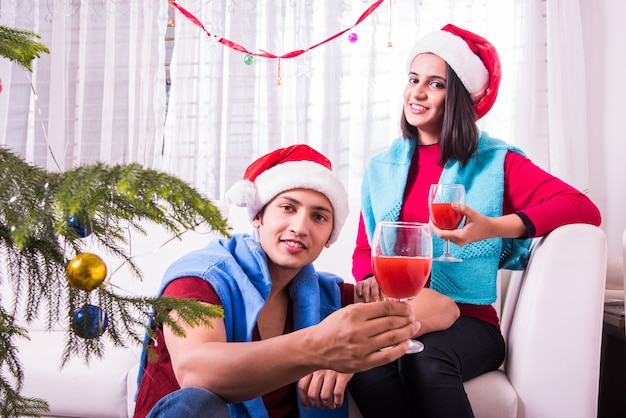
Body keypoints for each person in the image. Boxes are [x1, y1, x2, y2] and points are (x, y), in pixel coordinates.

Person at [348, 24, 602, 418]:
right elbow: (366, 248)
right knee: (367, 371)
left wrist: (493, 227)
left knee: (424, 360)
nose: (417, 93)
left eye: (435, 84)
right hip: (402, 312)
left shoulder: (497, 161)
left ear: (460, 97)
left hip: (471, 322)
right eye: (413, 79)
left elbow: (582, 207)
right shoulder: (382, 167)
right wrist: (368, 280)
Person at [132, 144, 459, 418]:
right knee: (198, 402)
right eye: (287, 208)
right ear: (258, 216)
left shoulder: (323, 296)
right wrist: (323, 348)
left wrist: (351, 356)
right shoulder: (201, 277)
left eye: (319, 216)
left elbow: (443, 308)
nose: (300, 227)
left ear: (330, 236)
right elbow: (197, 373)